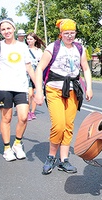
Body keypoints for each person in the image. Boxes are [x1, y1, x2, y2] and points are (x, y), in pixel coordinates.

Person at [34, 18, 93, 175]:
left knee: (68, 125)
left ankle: (64, 160)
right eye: (66, 33)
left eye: (72, 33)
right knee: (58, 125)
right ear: (60, 34)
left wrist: (89, 88)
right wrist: (39, 91)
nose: (69, 36)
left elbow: (86, 69)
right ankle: (51, 156)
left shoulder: (79, 48)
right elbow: (39, 69)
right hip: (54, 89)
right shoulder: (52, 47)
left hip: (73, 90)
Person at [0, 18, 36, 162]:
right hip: (3, 87)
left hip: (21, 87)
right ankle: (6, 148)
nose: (6, 31)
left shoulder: (22, 47)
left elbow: (29, 67)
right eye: (3, 29)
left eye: (8, 28)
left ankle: (17, 143)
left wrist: (38, 86)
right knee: (7, 118)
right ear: (0, 31)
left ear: (14, 29)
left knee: (23, 117)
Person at [25, 32, 45, 121]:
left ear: (35, 40)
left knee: (35, 93)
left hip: (36, 72)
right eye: (28, 39)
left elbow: (41, 63)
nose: (29, 41)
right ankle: (27, 111)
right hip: (26, 73)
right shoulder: (24, 49)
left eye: (31, 39)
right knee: (30, 93)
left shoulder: (39, 51)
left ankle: (32, 112)